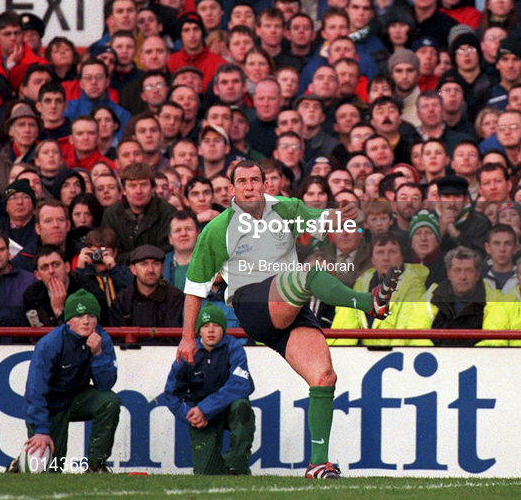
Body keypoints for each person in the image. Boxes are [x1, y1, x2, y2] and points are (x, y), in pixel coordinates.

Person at [177, 158, 400, 479]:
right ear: (231, 189)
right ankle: (370, 303)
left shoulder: (285, 207)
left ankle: (318, 465)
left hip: (288, 305)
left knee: (324, 378)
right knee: (308, 273)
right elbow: (195, 287)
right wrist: (187, 336)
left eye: (255, 180)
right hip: (251, 303)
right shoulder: (217, 229)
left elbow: (322, 220)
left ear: (265, 184)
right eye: (243, 181)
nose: (250, 186)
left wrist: (343, 217)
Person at [13, 289, 120, 473]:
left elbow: (105, 385)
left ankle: (96, 465)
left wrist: (99, 354)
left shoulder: (101, 338)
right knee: (49, 470)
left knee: (110, 401)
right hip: (50, 405)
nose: (86, 321)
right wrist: (41, 430)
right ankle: (18, 466)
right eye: (79, 316)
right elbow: (35, 391)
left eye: (91, 315)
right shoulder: (50, 343)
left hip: (76, 398)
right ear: (68, 319)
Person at [163, 302, 255, 475]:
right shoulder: (188, 352)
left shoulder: (233, 347)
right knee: (205, 473)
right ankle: (221, 467)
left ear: (224, 329)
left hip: (225, 410)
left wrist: (205, 409)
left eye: (216, 325)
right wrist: (191, 414)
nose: (211, 330)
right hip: (200, 416)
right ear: (198, 330)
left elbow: (240, 383)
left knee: (241, 406)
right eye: (205, 326)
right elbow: (172, 394)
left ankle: (237, 465)